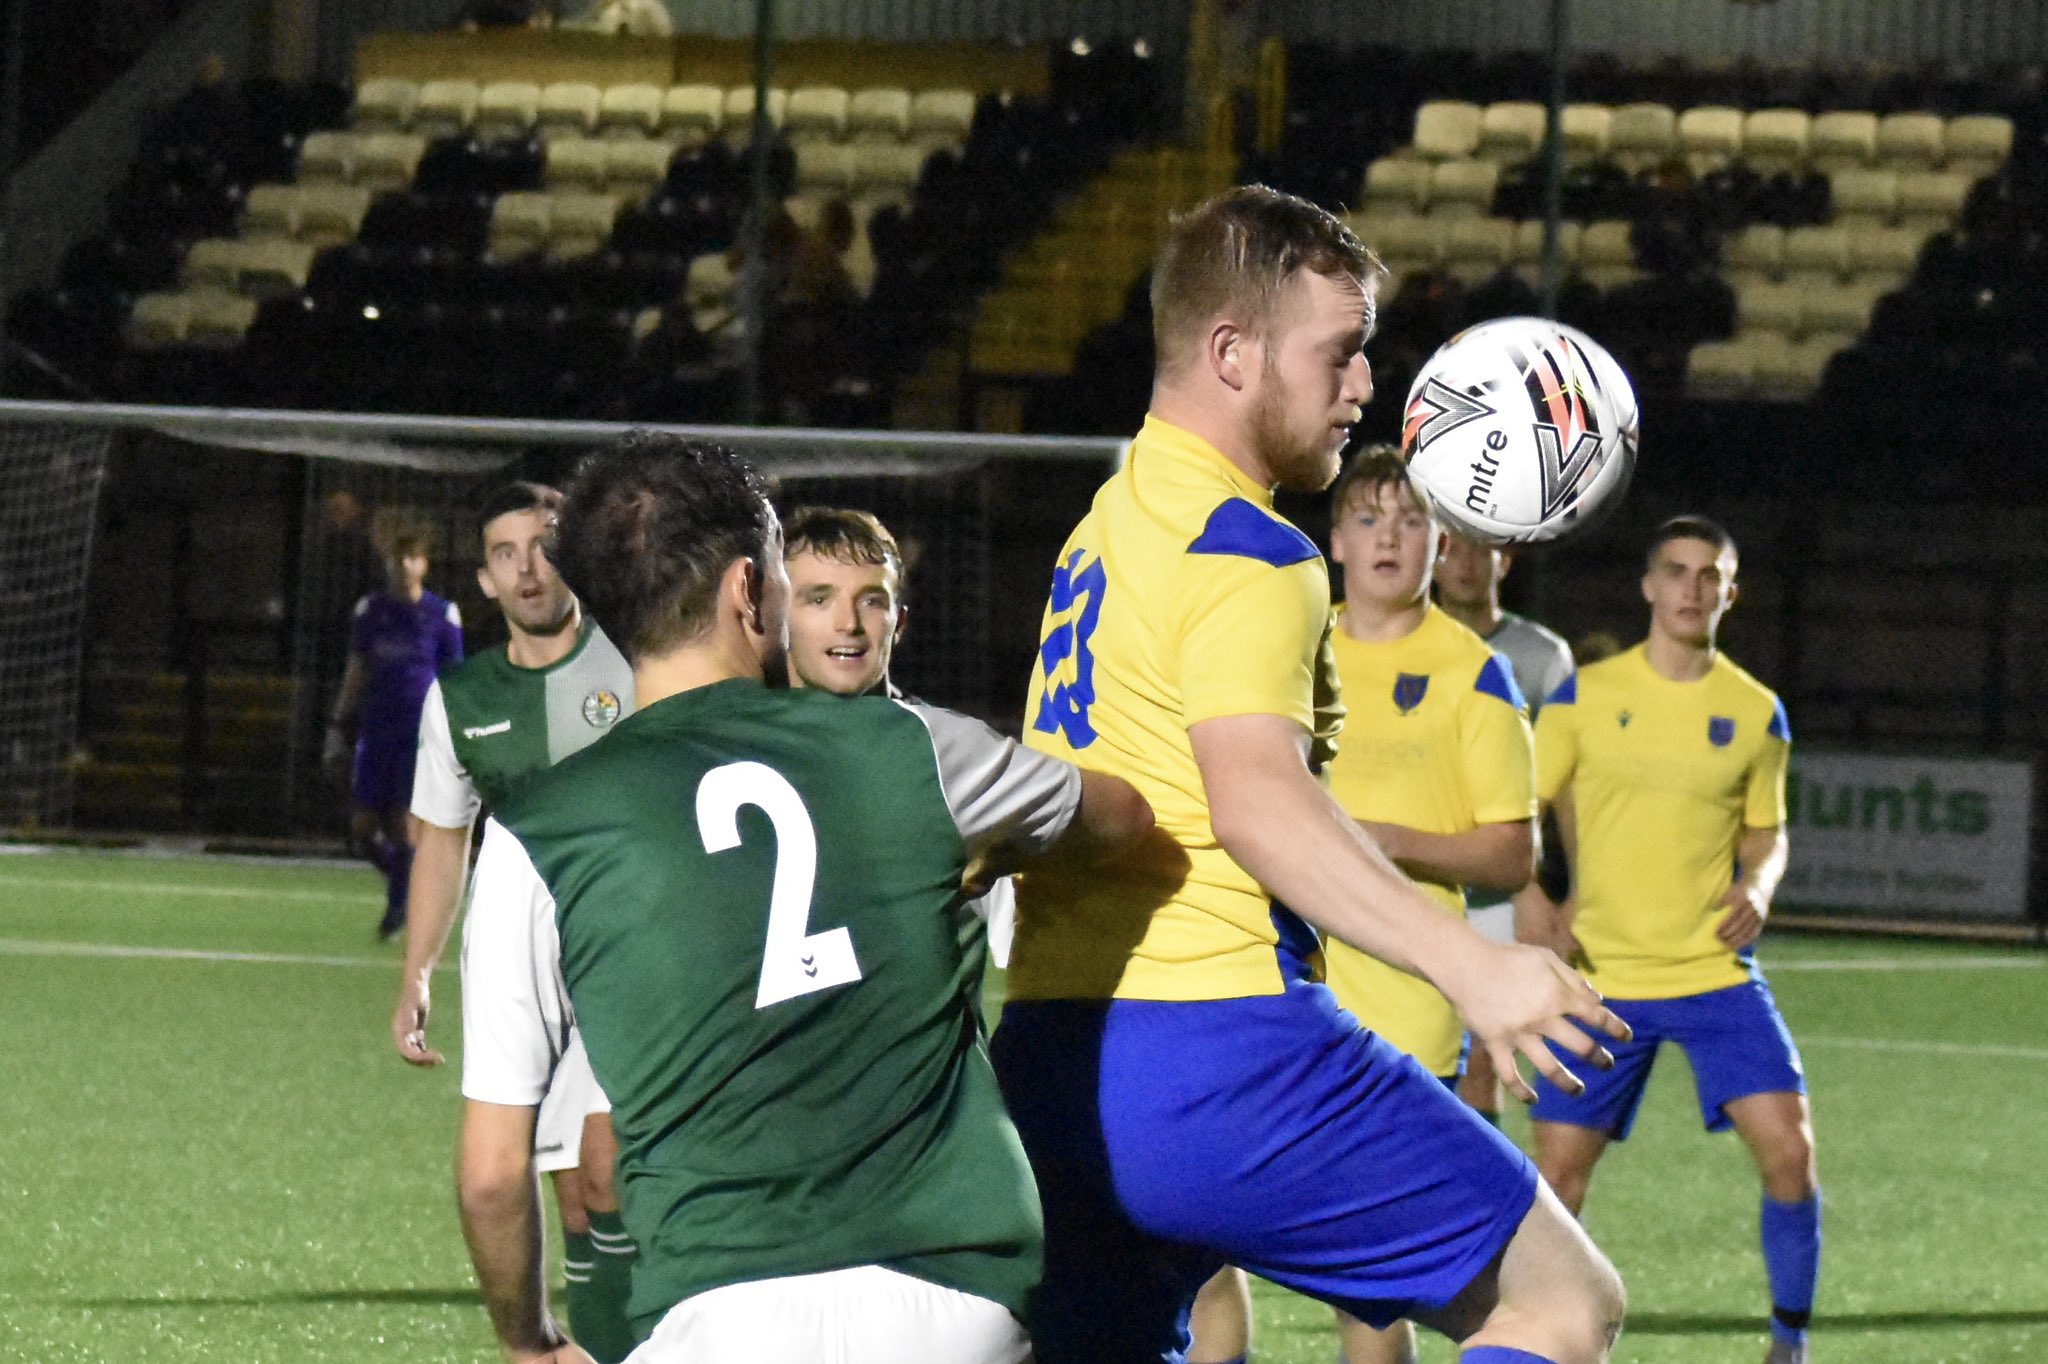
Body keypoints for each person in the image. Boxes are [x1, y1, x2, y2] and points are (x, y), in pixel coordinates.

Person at [995, 183, 1628, 1364]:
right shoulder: (1251, 548)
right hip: (1223, 1048)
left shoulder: (1106, 521)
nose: (1362, 387)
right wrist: (1469, 964)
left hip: (1053, 1055)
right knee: (1559, 1304)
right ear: (1231, 353)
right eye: (1338, 354)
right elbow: (1251, 799)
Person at [455, 433, 1154, 1364]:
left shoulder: (531, 831)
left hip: (720, 1313)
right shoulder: (914, 749)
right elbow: (1122, 818)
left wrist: (531, 1340)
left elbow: (493, 1177)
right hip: (958, 1297)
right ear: (749, 589)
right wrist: (995, 853)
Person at [1189, 448, 1540, 1364]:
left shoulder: (1474, 672)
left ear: (1440, 542)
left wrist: (1389, 841)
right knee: (1200, 1253)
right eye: (1371, 518)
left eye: (1411, 520)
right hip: (1274, 990)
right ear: (1335, 541)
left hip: (1407, 1005)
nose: (1391, 537)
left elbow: (1513, 849)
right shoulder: (1290, 643)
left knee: (1371, 1297)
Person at [1517, 516, 1818, 1364]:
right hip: (1603, 973)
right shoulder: (1583, 695)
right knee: (1555, 1188)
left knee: (1791, 1157)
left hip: (1713, 969)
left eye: (1709, 575)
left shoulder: (1758, 712)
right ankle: (1539, 1337)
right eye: (1676, 571)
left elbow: (1768, 832)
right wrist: (1532, 897)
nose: (1692, 588)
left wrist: (1757, 885)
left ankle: (1788, 1344)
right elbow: (1520, 811)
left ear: (1730, 593)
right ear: (1650, 586)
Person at [394, 482, 638, 1362]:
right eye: (506, 554)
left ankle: (633, 1342)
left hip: (637, 938)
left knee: (606, 1170)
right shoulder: (458, 699)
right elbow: (440, 843)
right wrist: (416, 970)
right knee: (512, 1186)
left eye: (543, 545)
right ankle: (542, 1349)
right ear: (485, 582)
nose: (528, 568)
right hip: (521, 947)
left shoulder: (642, 662)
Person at [1435, 529, 1575, 1124]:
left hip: (1498, 887)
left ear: (1506, 561)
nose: (1467, 565)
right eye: (1454, 549)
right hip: (1406, 876)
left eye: (1482, 551)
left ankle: (1464, 1201)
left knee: (1482, 1060)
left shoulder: (1543, 657)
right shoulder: (1386, 640)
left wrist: (1547, 894)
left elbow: (1559, 782)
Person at [324, 516, 461, 940]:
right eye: (397, 557)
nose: (404, 565)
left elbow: (456, 680)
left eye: (412, 557)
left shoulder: (442, 615)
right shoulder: (371, 611)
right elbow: (357, 670)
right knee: (362, 827)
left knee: (403, 823)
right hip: (376, 729)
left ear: (424, 565)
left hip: (420, 735)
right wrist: (336, 724)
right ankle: (403, 881)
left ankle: (399, 906)